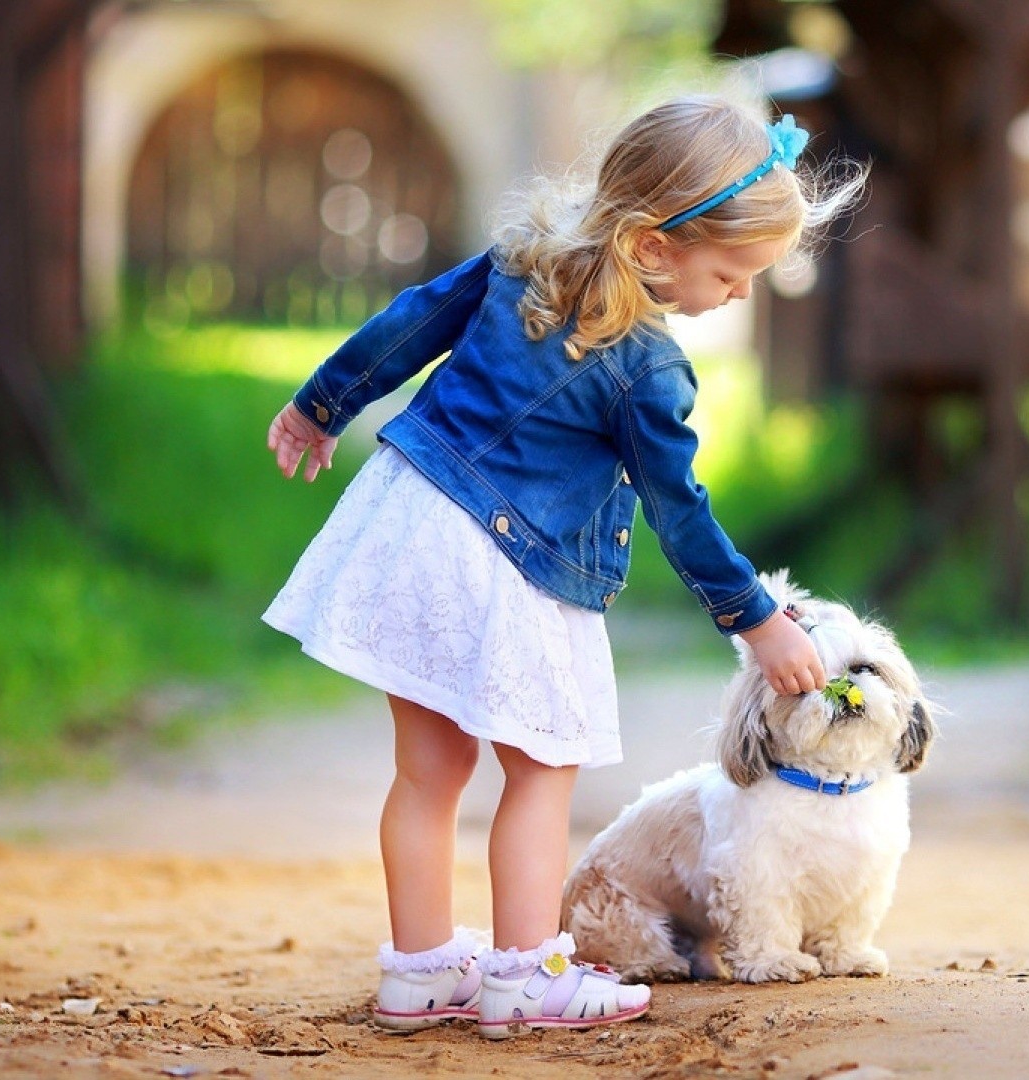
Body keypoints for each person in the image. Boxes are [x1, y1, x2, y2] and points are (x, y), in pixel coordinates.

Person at [263, 95, 863, 1038]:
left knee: (429, 769)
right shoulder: (648, 371)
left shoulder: (518, 263)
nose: (742, 293)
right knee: (543, 768)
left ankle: (420, 971)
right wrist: (757, 617)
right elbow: (678, 511)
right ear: (658, 248)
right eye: (734, 272)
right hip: (502, 559)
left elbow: (408, 323)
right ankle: (525, 975)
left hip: (407, 522)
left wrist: (320, 405)